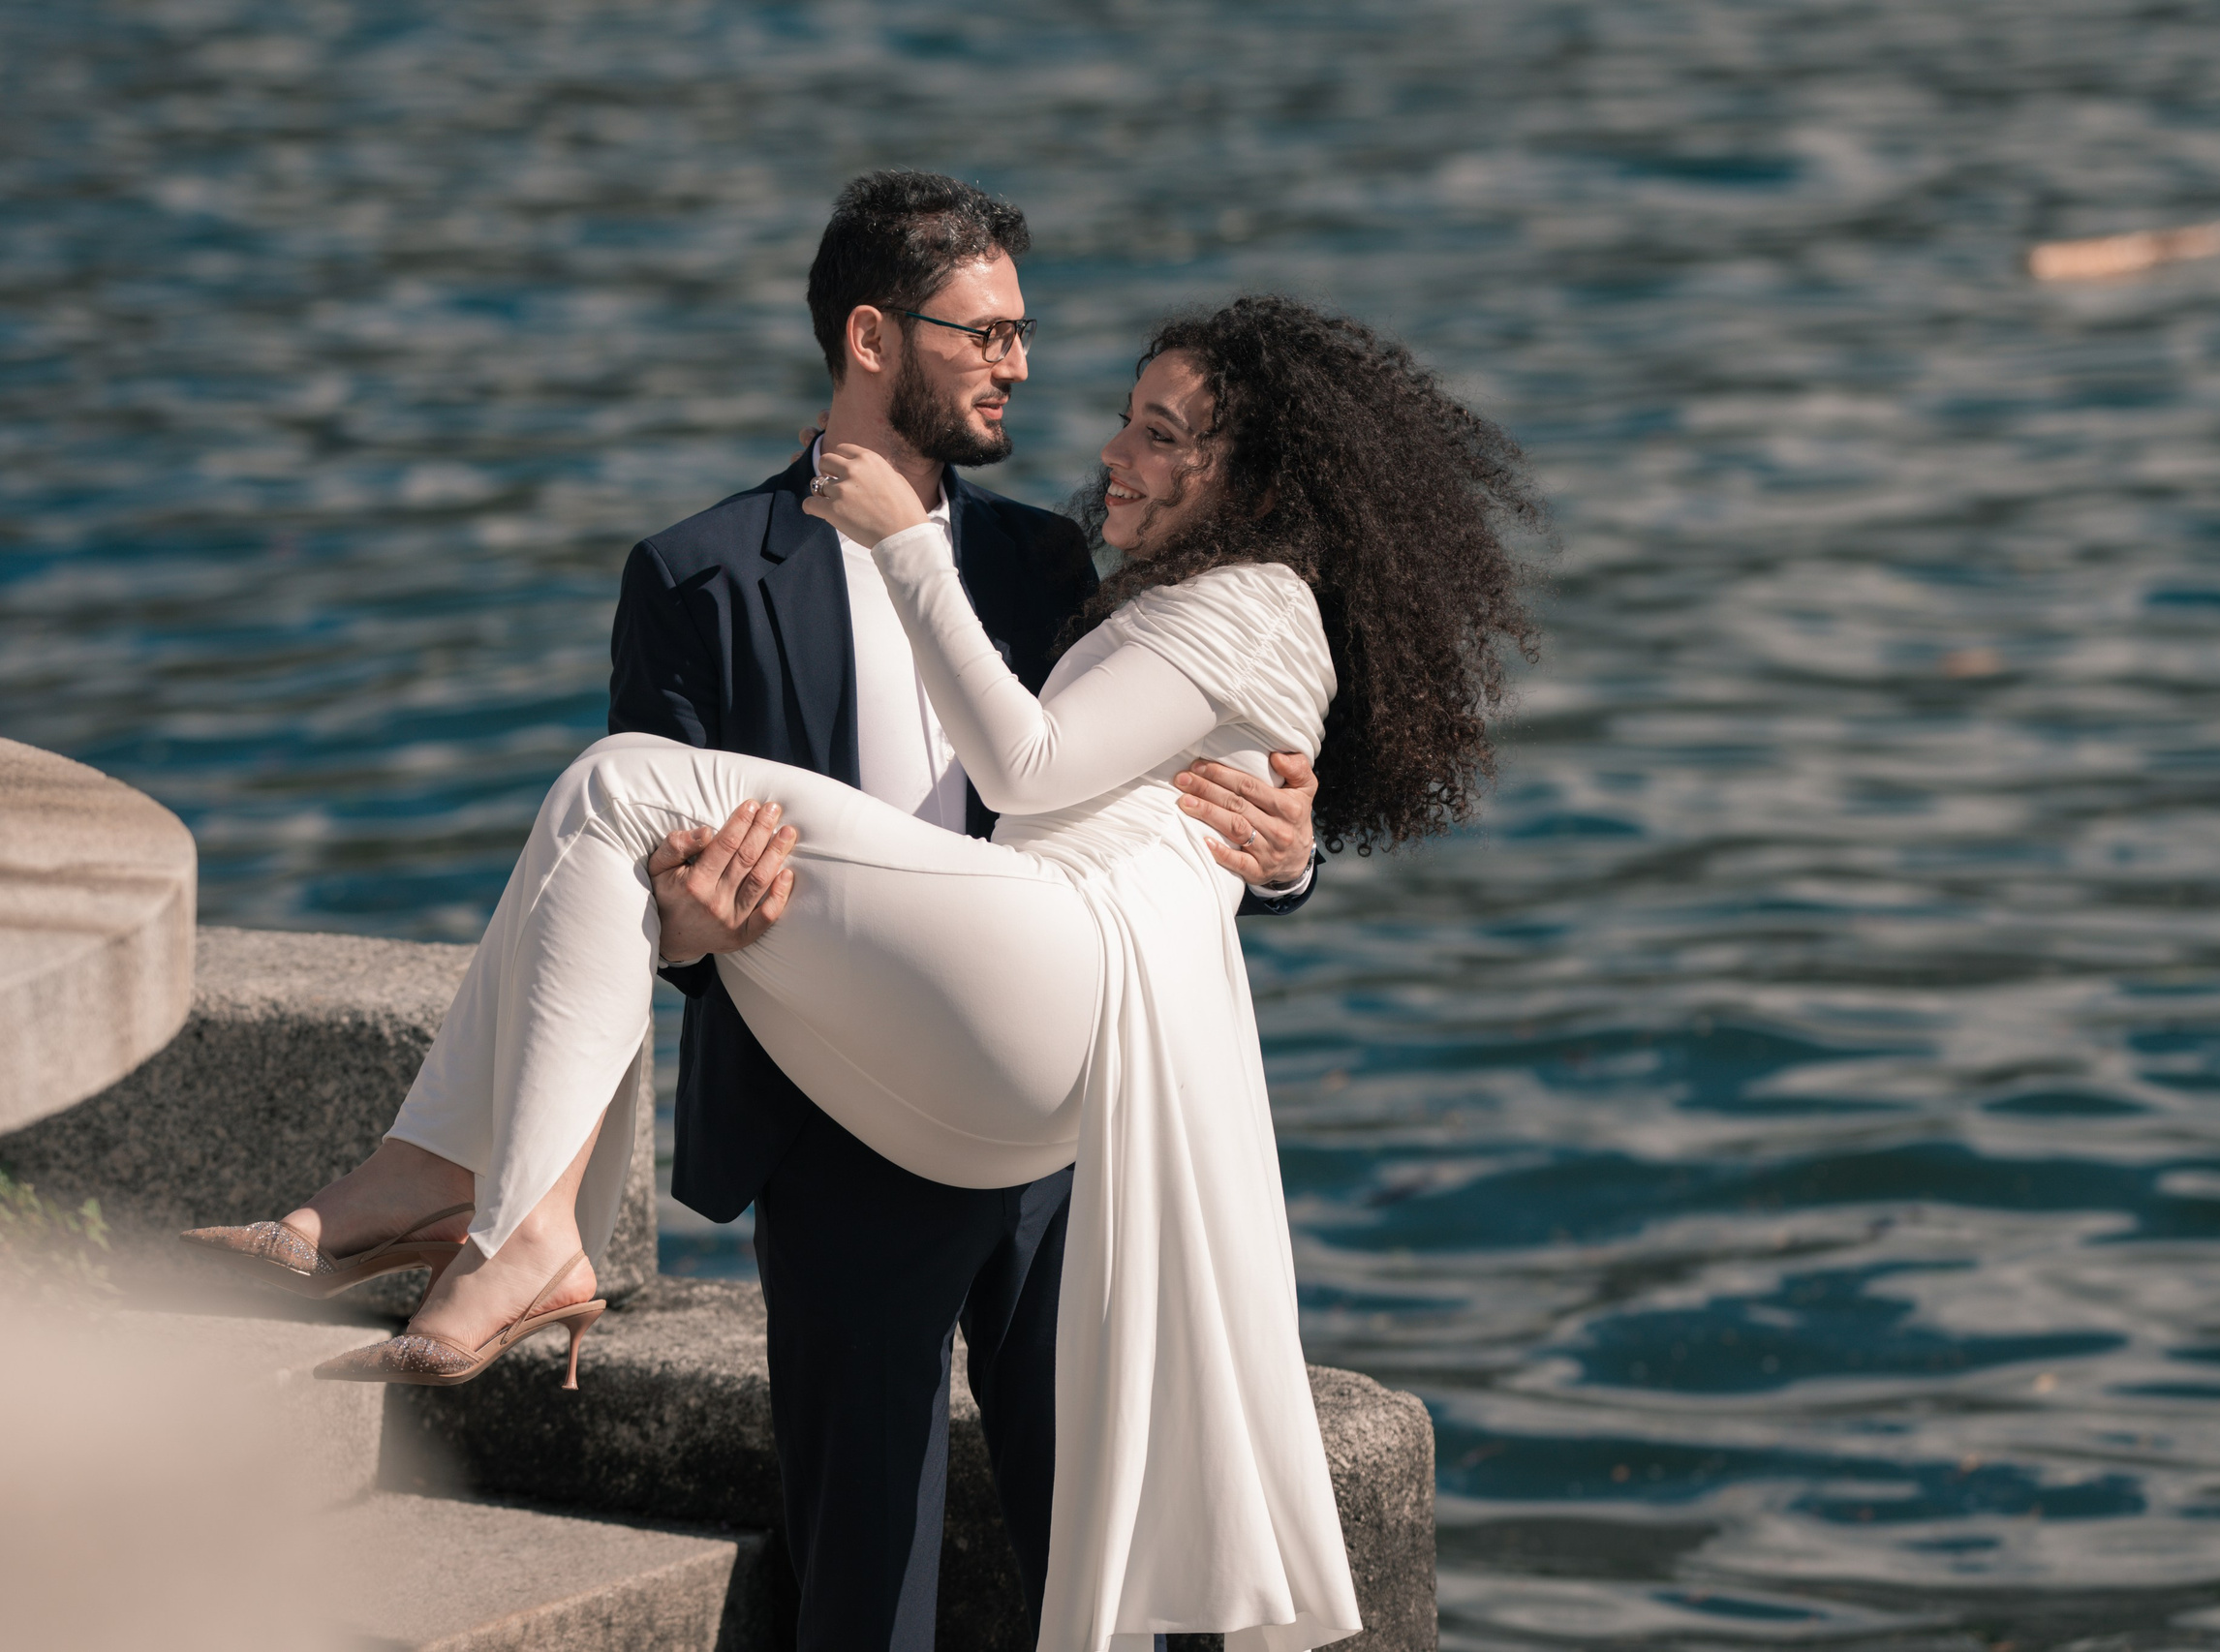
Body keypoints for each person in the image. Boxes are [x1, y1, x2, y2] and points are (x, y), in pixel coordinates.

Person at [185, 291, 1541, 1649]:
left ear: (1245, 473)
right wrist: (692, 930)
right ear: (875, 338)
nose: (1026, 367)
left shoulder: (1062, 562)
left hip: (1055, 1098)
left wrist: (1288, 854)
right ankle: (485, 1194)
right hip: (851, 1110)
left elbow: (1116, 779)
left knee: (1123, 1548)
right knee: (863, 1583)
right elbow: (609, 901)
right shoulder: (699, 567)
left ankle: (503, 1204)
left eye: (1149, 421)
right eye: (983, 328)